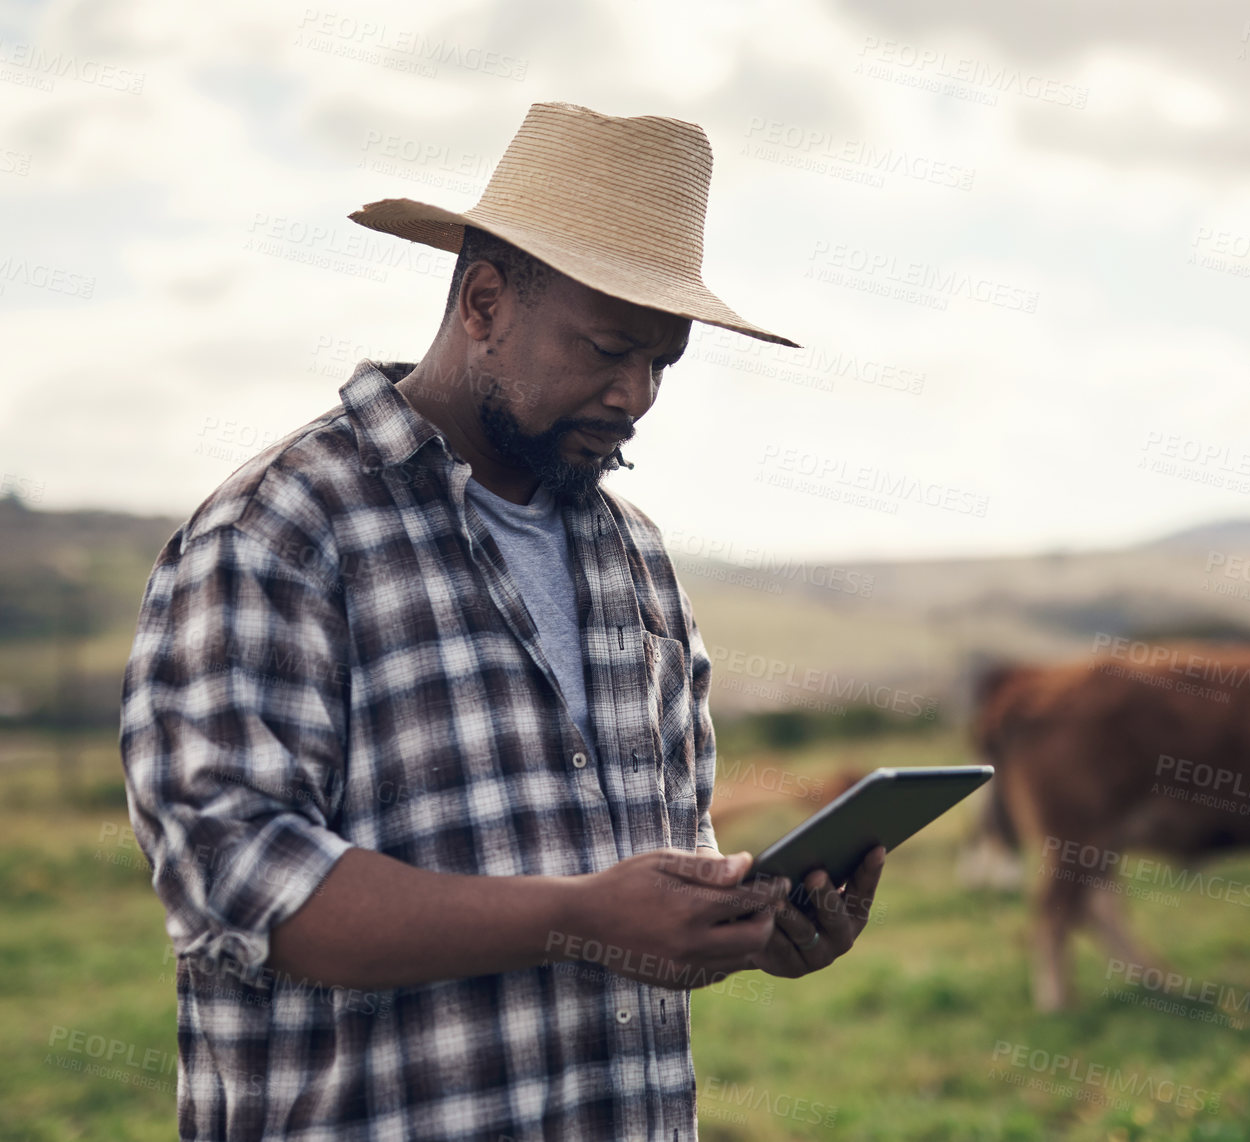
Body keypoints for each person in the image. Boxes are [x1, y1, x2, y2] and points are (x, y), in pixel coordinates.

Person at [120, 101, 885, 1141]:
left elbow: (643, 905)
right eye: (610, 348)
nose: (637, 394)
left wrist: (749, 929)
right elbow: (239, 880)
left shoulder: (637, 562)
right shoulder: (283, 532)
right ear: (483, 302)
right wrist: (578, 917)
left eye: (663, 362)